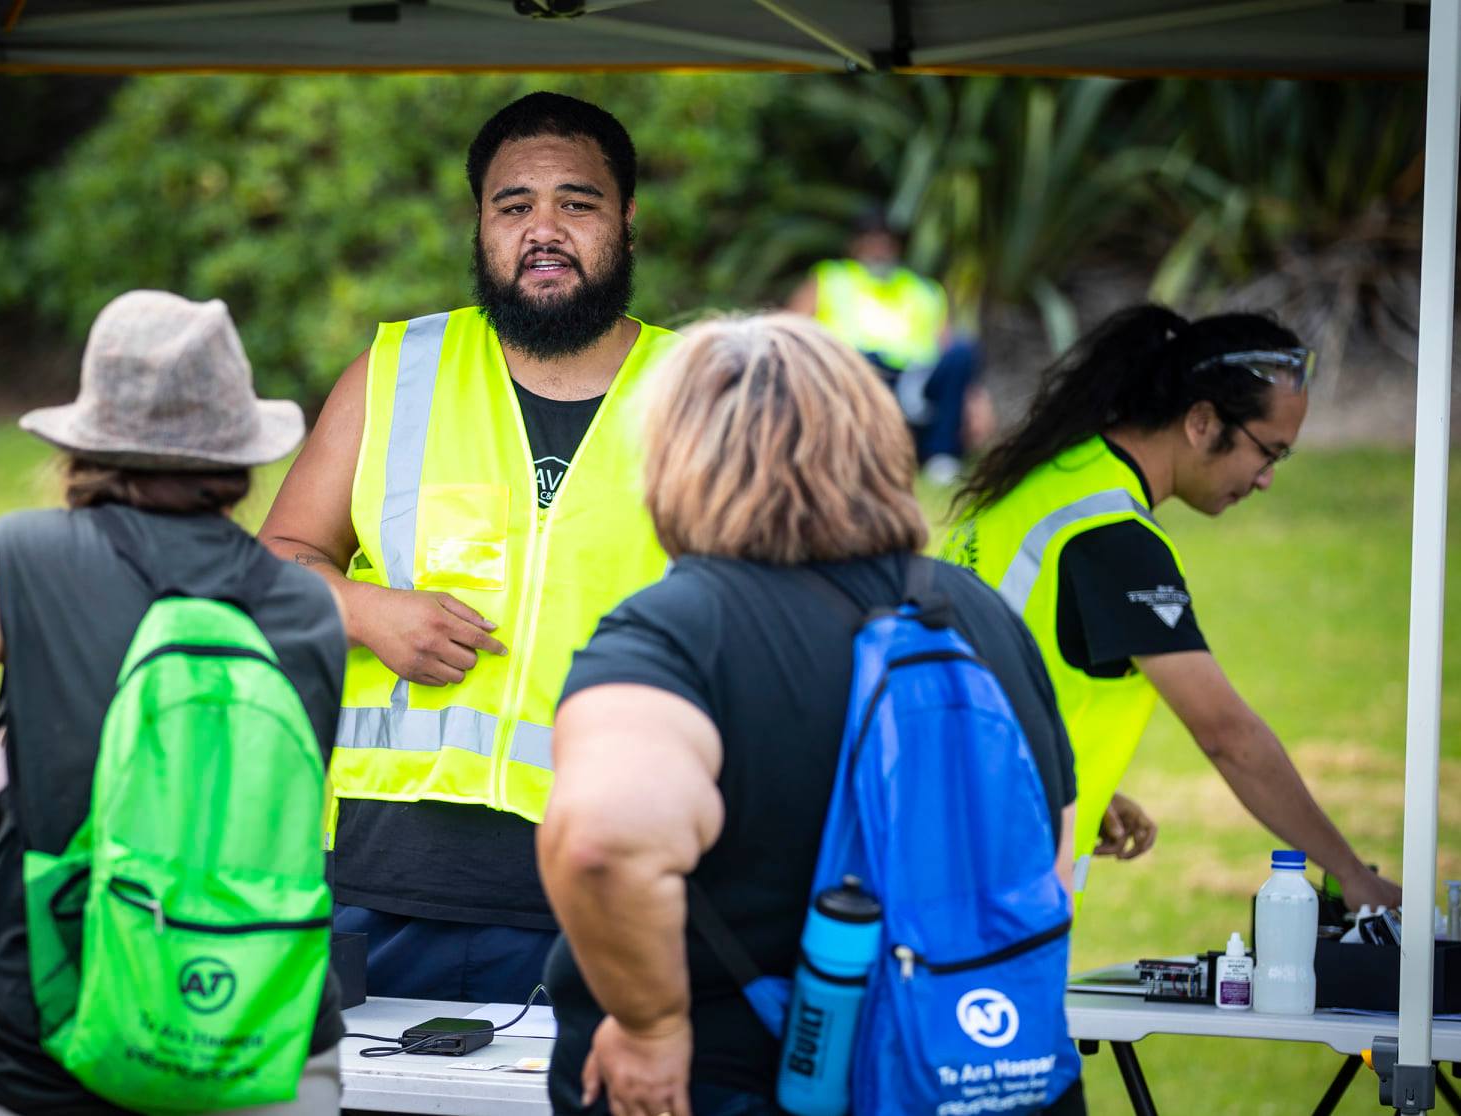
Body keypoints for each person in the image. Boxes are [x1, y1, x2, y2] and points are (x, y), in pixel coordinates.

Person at [0, 291, 347, 1114]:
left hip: (36, 1051)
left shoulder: (24, 558)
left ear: (86, 446)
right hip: (262, 1046)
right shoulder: (308, 610)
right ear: (240, 452)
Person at [537, 314, 1083, 1116]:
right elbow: (1048, 847)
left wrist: (650, 1024)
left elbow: (599, 841)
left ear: (675, 458)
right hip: (975, 1071)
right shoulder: (973, 612)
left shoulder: (679, 629)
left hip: (735, 1084)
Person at [259, 91, 680, 1003]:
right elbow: (271, 565)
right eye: (514, 205)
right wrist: (365, 609)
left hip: (614, 884)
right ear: (480, 225)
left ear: (628, 222)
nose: (544, 229)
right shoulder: (396, 371)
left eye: (578, 202)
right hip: (379, 883)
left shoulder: (704, 395)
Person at [943, 304, 1402, 910]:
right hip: (989, 865)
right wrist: (1352, 874)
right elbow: (1226, 734)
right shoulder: (1115, 539)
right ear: (1203, 422)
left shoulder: (1047, 478)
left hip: (940, 822)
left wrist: (1073, 780)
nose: (1266, 479)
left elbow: (991, 648)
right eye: (1271, 452)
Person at [785, 208, 994, 483]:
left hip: (916, 379)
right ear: (855, 245)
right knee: (858, 362)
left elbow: (947, 346)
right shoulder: (830, 278)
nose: (879, 249)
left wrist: (974, 396)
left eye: (886, 242)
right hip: (852, 374)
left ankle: (940, 459)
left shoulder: (924, 290)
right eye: (871, 241)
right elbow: (788, 333)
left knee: (963, 349)